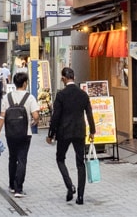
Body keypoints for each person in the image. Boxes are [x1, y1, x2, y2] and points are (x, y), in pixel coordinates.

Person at [48, 66, 95, 205]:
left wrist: (51, 134)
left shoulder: (61, 95)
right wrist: (92, 131)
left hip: (64, 131)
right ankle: (80, 197)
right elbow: (89, 113)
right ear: (73, 77)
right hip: (80, 131)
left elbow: (56, 116)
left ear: (63, 78)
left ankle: (70, 186)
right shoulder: (83, 94)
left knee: (60, 158)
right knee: (80, 163)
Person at [0, 71, 40, 198]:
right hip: (25, 134)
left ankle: (11, 186)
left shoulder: (7, 97)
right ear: (25, 83)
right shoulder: (29, 98)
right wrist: (33, 122)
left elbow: (2, 117)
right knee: (22, 159)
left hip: (10, 134)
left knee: (12, 158)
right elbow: (36, 115)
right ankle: (19, 189)